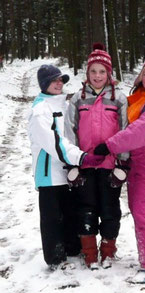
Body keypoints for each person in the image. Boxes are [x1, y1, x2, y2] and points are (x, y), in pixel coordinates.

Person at [94, 54, 145, 283]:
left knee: (143, 210)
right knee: (143, 209)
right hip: (138, 162)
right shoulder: (142, 99)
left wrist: (109, 145)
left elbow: (138, 131)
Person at [27, 64, 105, 271]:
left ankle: (72, 248)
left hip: (68, 171)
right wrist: (81, 158)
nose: (59, 83)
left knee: (70, 211)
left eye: (61, 79)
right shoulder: (39, 111)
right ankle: (55, 258)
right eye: (54, 80)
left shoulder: (64, 104)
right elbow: (55, 143)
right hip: (49, 174)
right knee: (52, 218)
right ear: (44, 84)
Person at [65, 43, 128, 269]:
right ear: (87, 73)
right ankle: (89, 253)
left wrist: (123, 162)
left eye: (102, 71)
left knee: (110, 208)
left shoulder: (119, 98)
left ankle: (108, 251)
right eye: (93, 71)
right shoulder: (77, 99)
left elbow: (125, 130)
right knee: (86, 207)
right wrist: (72, 162)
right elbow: (69, 131)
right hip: (85, 163)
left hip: (111, 164)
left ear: (109, 73)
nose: (98, 76)